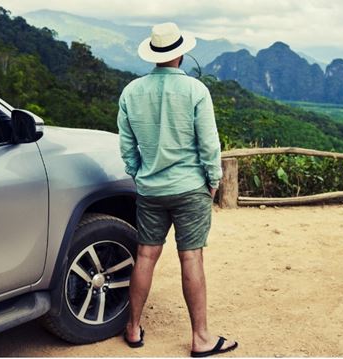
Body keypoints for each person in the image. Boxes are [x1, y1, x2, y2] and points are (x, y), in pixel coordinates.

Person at [117, 22, 238, 357]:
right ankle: (200, 338)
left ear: (154, 55)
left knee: (145, 256)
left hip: (151, 189)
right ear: (180, 53)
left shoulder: (131, 92)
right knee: (191, 257)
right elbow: (209, 145)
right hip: (189, 188)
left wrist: (140, 175)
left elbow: (127, 148)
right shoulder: (196, 91)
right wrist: (213, 181)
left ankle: (132, 328)